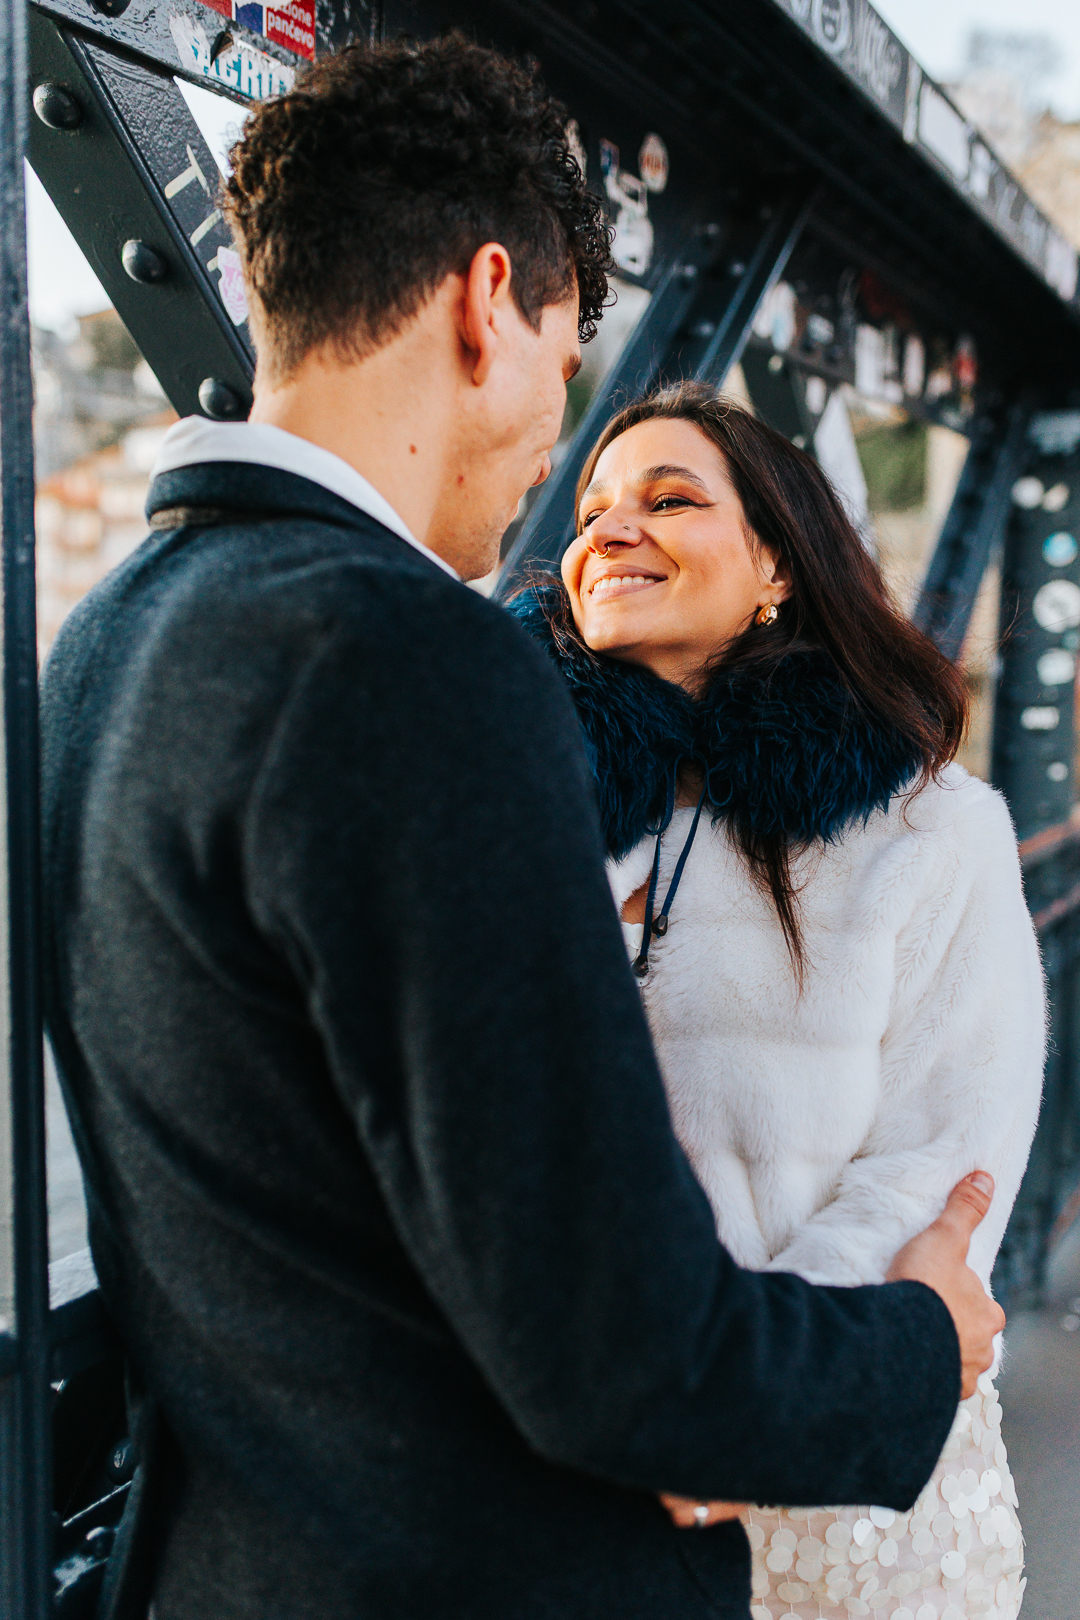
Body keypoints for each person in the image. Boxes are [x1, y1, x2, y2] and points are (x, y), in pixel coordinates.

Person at [39, 35, 1005, 1620]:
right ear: (491, 300)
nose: (563, 452)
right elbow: (624, 1353)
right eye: (568, 366)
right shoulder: (423, 662)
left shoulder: (104, 642)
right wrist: (919, 1346)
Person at [512, 382, 1044, 1620]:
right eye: (590, 512)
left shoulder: (928, 830)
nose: (611, 529)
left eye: (670, 499)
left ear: (777, 566)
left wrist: (745, 1399)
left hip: (845, 1472)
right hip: (602, 1471)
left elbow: (943, 1166)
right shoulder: (521, 815)